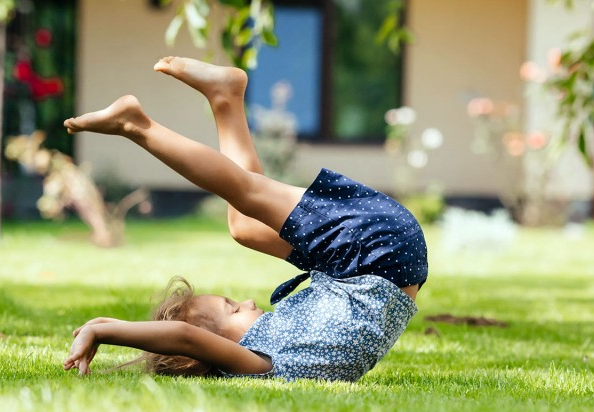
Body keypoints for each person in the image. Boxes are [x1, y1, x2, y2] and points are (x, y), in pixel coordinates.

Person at [62, 57, 428, 382]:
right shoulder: (257, 362)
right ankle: (136, 126)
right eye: (233, 309)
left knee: (245, 226)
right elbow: (184, 337)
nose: (251, 302)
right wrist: (107, 333)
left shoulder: (269, 351)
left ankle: (225, 98)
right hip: (375, 252)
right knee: (246, 191)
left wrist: (107, 326)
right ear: (213, 349)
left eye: (233, 301)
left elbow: (186, 337)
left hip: (384, 256)